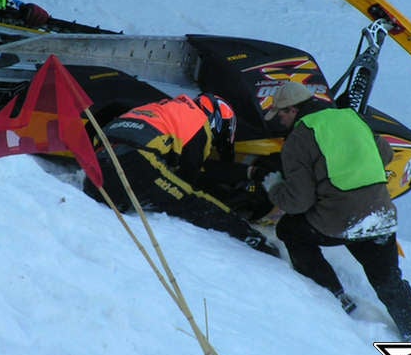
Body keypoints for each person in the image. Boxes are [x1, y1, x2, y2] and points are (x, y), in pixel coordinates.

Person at [260, 80, 411, 342]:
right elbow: (385, 154)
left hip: (340, 222)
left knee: (290, 230)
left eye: (281, 114)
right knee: (389, 282)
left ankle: (330, 294)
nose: (280, 121)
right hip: (382, 218)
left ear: (293, 110)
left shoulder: (300, 137)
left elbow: (298, 202)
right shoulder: (350, 118)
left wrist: (274, 186)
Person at [83, 93, 280, 257]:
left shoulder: (164, 108)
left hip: (97, 168)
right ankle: (250, 237)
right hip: (136, 162)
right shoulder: (197, 122)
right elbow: (190, 177)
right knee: (193, 200)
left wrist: (245, 172)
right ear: (218, 120)